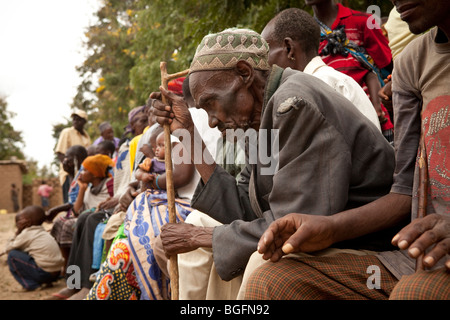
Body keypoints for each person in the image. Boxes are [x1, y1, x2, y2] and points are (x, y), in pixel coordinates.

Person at [151, 27, 396, 300]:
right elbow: (244, 208)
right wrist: (187, 133)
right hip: (333, 241)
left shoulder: (293, 104)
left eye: (211, 104)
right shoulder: (259, 122)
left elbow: (291, 226)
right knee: (211, 242)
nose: (211, 121)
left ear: (244, 73)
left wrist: (199, 237)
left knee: (261, 260)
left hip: (372, 249)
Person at [243, 0, 450, 300]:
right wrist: (328, 228)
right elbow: (404, 193)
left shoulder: (302, 97)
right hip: (414, 259)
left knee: (416, 293)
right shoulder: (413, 64)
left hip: (427, 272)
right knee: (272, 281)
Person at [86, 126, 196, 300]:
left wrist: (151, 183)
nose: (158, 149)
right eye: (155, 147)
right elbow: (139, 172)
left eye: (162, 145)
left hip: (169, 201)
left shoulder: (175, 159)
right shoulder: (151, 162)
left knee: (129, 244)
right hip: (150, 199)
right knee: (119, 233)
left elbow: (180, 177)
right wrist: (144, 177)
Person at [260, 7, 381, 132]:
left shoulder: (311, 90)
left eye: (266, 54)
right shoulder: (338, 82)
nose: (264, 63)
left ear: (289, 48)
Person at [306, 0, 394, 143]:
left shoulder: (364, 22)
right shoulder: (308, 35)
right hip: (333, 123)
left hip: (374, 116)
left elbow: (387, 66)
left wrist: (378, 106)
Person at [48, 154, 114, 300]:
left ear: (95, 173)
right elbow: (77, 211)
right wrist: (82, 190)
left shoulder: (109, 185)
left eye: (85, 170)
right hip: (88, 217)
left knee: (88, 219)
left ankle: (86, 286)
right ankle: (73, 283)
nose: (81, 173)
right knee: (82, 218)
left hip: (104, 216)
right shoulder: (88, 188)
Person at [47, 145, 88, 270]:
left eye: (67, 158)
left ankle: (72, 273)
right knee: (59, 223)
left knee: (67, 226)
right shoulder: (75, 175)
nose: (64, 161)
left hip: (87, 215)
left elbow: (75, 206)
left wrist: (55, 210)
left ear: (77, 158)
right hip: (81, 213)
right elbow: (75, 207)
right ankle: (67, 267)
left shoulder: (85, 174)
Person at [4, 206, 64, 291]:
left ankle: (30, 285)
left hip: (44, 273)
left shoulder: (27, 234)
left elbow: (8, 249)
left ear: (28, 222)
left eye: (20, 219)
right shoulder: (42, 232)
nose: (17, 221)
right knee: (28, 252)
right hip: (56, 273)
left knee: (12, 255)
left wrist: (17, 232)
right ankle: (47, 282)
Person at [54, 109, 91, 203]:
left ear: (84, 122)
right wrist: (68, 169)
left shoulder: (86, 136)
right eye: (74, 119)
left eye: (78, 119)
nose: (75, 121)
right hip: (69, 172)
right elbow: (60, 153)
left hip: (83, 173)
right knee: (70, 200)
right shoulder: (67, 132)